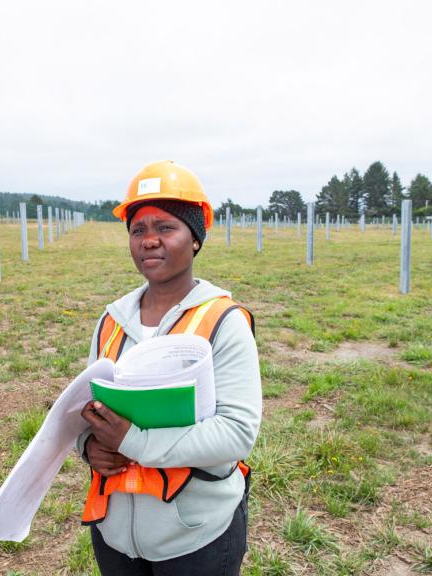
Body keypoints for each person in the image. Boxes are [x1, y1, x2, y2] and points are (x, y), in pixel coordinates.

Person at [77, 160, 262, 575]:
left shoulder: (223, 321)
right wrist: (87, 447)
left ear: (195, 239)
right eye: (138, 230)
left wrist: (133, 441)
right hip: (114, 534)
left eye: (166, 228)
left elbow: (237, 432)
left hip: (195, 537)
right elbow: (85, 409)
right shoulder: (112, 320)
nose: (149, 241)